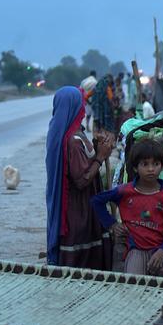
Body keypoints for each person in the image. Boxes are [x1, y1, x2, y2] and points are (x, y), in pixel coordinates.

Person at [91, 138, 163, 279]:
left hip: (161, 248)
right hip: (136, 249)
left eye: (155, 164)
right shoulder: (125, 191)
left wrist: (162, 251)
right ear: (135, 168)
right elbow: (96, 201)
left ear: (162, 166)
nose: (151, 169)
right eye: (145, 164)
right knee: (134, 281)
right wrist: (112, 224)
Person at [45, 86, 113, 269]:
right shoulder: (73, 141)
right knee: (82, 263)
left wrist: (98, 146)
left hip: (86, 206)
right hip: (79, 210)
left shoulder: (74, 134)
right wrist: (101, 156)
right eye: (81, 104)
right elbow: (82, 180)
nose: (84, 109)